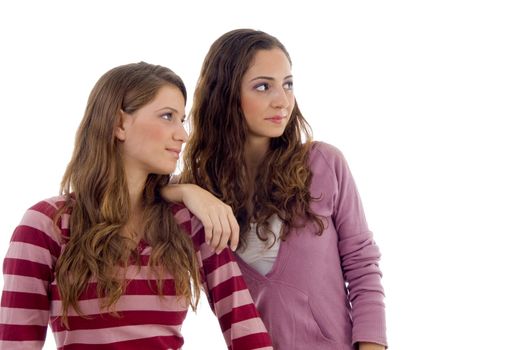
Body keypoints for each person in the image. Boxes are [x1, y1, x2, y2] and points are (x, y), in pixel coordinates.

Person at [0, 62, 272, 349]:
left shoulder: (190, 220)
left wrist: (191, 191)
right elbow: (15, 344)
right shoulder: (46, 225)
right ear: (119, 124)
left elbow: (247, 332)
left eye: (182, 120)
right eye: (167, 116)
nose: (182, 134)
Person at [166, 29, 388, 349]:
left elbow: (363, 266)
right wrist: (186, 191)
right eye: (263, 86)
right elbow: (141, 198)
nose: (282, 100)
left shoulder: (323, 164)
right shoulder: (200, 198)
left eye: (288, 84)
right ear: (226, 95)